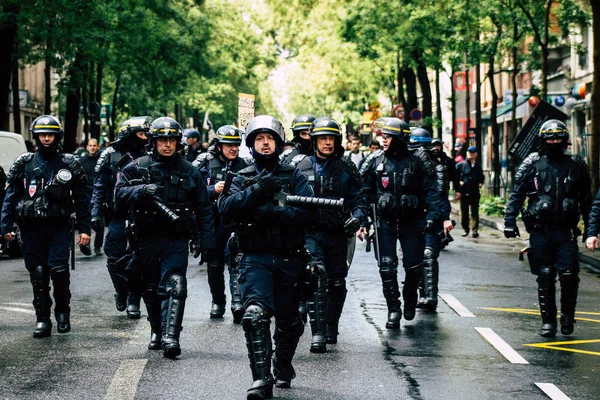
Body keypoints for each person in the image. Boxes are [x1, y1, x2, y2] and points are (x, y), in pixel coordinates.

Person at [218, 115, 314, 398]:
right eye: (259, 138)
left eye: (270, 138)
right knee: (254, 315)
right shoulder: (241, 176)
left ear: (279, 142)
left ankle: (282, 363)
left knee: (291, 321)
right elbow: (226, 208)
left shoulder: (293, 175)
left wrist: (277, 211)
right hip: (254, 257)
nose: (265, 143)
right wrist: (259, 189)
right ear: (251, 144)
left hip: (289, 257)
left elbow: (310, 212)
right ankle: (261, 380)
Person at [115, 116, 214, 358]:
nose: (167, 145)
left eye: (171, 140)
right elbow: (118, 195)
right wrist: (140, 190)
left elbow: (203, 208)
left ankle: (172, 337)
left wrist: (207, 241)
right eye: (162, 140)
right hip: (145, 238)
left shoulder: (189, 171)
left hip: (175, 239)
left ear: (178, 143)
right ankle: (156, 331)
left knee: (175, 285)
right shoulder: (137, 167)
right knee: (149, 288)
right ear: (153, 142)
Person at [1, 115, 91, 337]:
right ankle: (42, 319)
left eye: (50, 134)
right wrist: (5, 226)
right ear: (36, 137)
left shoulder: (69, 163)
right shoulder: (24, 163)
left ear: (57, 136)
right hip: (31, 229)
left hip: (58, 227)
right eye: (43, 135)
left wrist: (86, 229)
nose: (47, 138)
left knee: (59, 272)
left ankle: (62, 313)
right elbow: (10, 196)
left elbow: (81, 199)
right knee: (38, 273)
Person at [505, 120, 591, 337]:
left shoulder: (576, 165)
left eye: (558, 137)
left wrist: (592, 230)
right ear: (543, 139)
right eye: (550, 137)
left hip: (566, 231)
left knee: (569, 274)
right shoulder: (532, 163)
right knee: (545, 274)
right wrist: (509, 221)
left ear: (565, 139)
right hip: (539, 230)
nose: (554, 141)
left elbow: (587, 200)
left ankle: (568, 318)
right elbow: (517, 195)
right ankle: (548, 322)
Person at [289, 116, 367, 353]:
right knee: (317, 277)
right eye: (323, 138)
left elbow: (360, 198)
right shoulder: (300, 167)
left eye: (331, 138)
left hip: (338, 233)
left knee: (336, 282)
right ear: (314, 140)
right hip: (311, 233)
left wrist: (358, 217)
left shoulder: (347, 168)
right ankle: (318, 333)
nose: (327, 143)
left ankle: (331, 327)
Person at [360, 117, 440, 329]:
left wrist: (433, 216)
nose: (383, 140)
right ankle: (393, 309)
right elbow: (362, 191)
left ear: (399, 138)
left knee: (414, 267)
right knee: (386, 268)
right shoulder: (375, 160)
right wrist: (363, 217)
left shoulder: (418, 159)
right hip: (384, 223)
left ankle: (410, 296)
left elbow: (432, 190)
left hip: (412, 222)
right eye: (382, 136)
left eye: (388, 137)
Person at [92, 116, 150, 319]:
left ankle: (134, 299)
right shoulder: (109, 156)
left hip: (142, 215)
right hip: (117, 215)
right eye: (142, 133)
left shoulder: (149, 155)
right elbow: (99, 186)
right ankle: (122, 291)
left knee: (139, 258)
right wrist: (95, 212)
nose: (146, 137)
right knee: (114, 257)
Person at [193, 125, 252, 321]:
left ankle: (238, 302)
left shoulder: (245, 165)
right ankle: (218, 301)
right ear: (219, 146)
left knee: (237, 261)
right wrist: (212, 190)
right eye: (228, 145)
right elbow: (191, 190)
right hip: (212, 222)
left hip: (236, 222)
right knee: (214, 264)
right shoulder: (205, 164)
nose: (233, 149)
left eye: (236, 145)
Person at [408, 129, 454, 311]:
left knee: (428, 254)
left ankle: (430, 296)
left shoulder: (438, 167)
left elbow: (441, 195)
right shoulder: (408, 165)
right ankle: (421, 294)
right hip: (412, 217)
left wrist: (445, 218)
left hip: (432, 216)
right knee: (413, 258)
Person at [77, 138, 104, 256]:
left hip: (99, 195)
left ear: (98, 146)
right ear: (87, 147)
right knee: (87, 218)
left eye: (94, 145)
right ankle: (86, 244)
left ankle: (98, 246)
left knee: (99, 220)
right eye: (90, 145)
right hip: (86, 194)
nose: (92, 147)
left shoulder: (102, 160)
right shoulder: (82, 161)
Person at [456, 146, 484, 238]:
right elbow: (455, 177)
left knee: (474, 212)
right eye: (469, 152)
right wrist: (458, 190)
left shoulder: (477, 165)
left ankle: (475, 230)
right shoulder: (461, 165)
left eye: (472, 152)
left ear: (476, 154)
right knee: (464, 213)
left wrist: (480, 182)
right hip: (464, 192)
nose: (470, 154)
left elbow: (481, 176)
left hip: (474, 192)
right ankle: (465, 229)